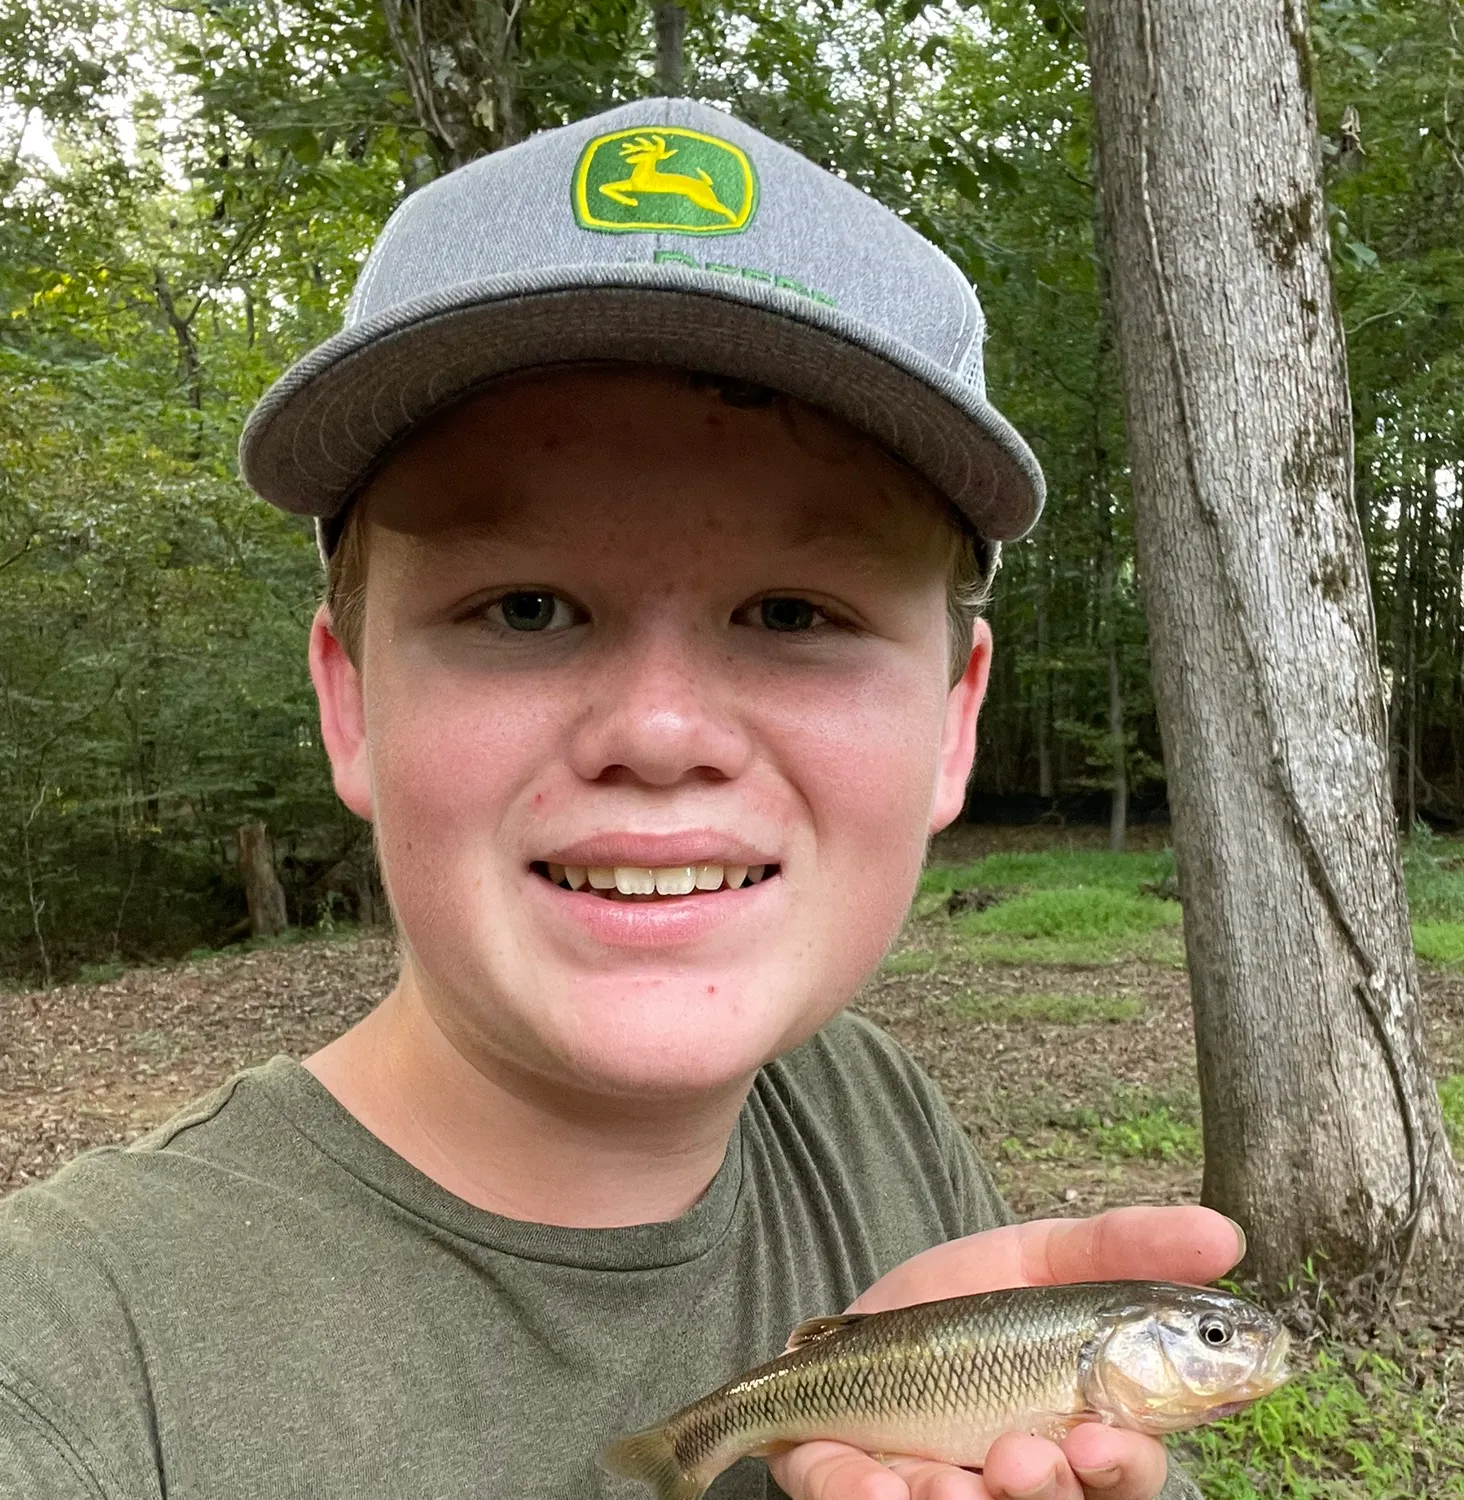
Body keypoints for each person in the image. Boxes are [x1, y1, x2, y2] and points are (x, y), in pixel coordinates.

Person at [0, 98, 1242, 1500]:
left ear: (953, 723)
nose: (659, 731)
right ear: (351, 701)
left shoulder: (870, 1114)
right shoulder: (71, 1367)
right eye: (524, 607)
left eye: (791, 611)